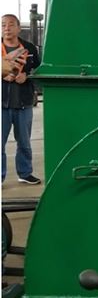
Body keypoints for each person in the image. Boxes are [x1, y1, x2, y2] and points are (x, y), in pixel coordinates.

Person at [2, 13, 41, 184]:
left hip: (24, 102)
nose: (7, 28)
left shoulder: (29, 49)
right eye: (3, 25)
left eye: (11, 24)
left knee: (24, 142)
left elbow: (39, 71)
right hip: (2, 104)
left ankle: (25, 173)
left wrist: (27, 76)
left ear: (18, 28)